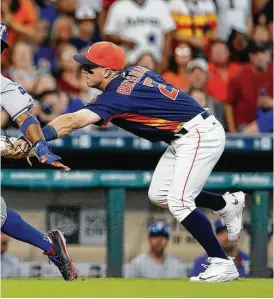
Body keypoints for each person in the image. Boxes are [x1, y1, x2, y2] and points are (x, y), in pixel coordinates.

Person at [15, 41, 246, 282]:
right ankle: (224, 204)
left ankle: (221, 262)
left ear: (107, 71)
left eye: (90, 67)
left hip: (198, 134)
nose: (83, 70)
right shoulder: (136, 70)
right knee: (160, 194)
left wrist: (35, 138)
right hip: (185, 134)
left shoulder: (115, 96)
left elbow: (72, 121)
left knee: (179, 201)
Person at [0, 22, 77, 281]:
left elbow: (26, 119)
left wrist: (42, 148)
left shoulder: (5, 87)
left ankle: (51, 247)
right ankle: (51, 247)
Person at [103, 0, 175, 72]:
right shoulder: (119, 6)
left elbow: (169, 31)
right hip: (130, 59)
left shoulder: (159, 4)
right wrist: (124, 41)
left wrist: (165, 57)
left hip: (155, 59)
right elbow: (108, 34)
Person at [225, 40, 273, 132]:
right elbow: (228, 104)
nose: (260, 57)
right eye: (256, 54)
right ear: (250, 56)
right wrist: (232, 131)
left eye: (263, 53)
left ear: (269, 55)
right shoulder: (240, 74)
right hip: (245, 125)